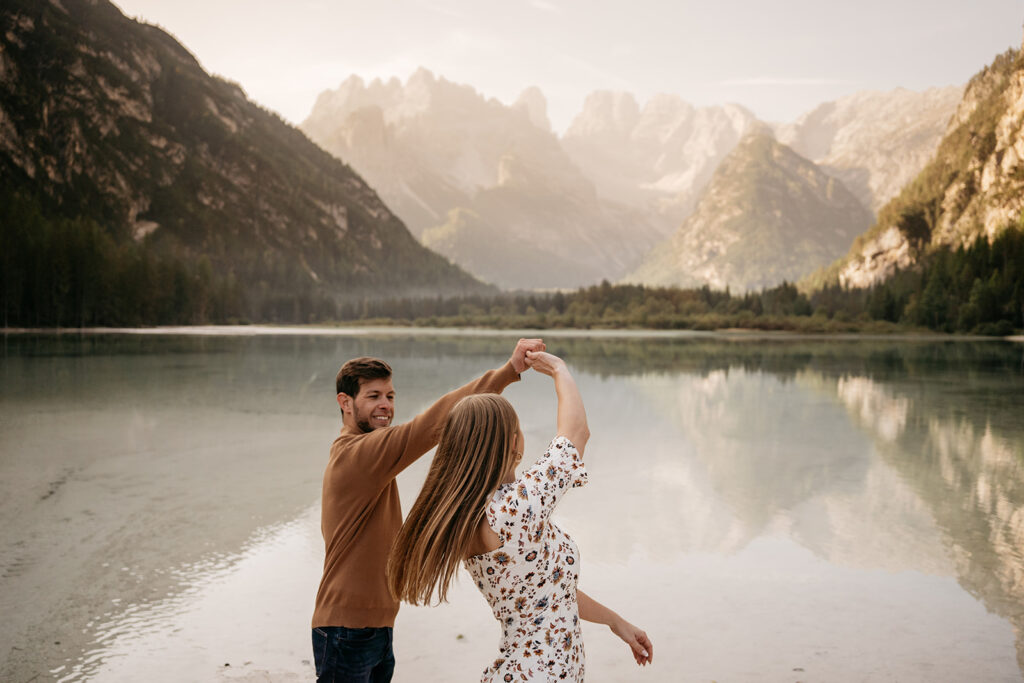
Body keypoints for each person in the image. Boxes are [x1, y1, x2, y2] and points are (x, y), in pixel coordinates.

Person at [388, 350, 653, 681]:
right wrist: (559, 370)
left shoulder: (472, 512)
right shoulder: (515, 509)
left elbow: (551, 593)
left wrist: (616, 622)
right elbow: (576, 433)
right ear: (513, 441)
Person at [312, 338, 546, 683]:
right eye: (373, 396)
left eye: (390, 396)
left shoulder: (371, 455)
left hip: (374, 628)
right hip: (346, 630)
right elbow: (436, 421)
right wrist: (508, 372)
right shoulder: (358, 455)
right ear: (345, 403)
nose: (385, 406)